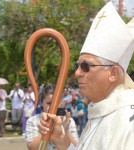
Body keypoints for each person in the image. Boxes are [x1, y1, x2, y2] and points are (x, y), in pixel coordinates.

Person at [38, 2, 134, 150]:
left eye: (86, 66)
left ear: (113, 73)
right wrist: (61, 141)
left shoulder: (128, 122)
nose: (77, 73)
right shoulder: (102, 109)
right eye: (78, 66)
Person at [25, 84, 79, 150]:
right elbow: (32, 147)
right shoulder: (33, 120)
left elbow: (76, 147)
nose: (52, 107)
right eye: (48, 103)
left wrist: (66, 130)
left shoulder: (68, 121)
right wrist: (47, 128)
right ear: (41, 103)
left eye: (56, 103)